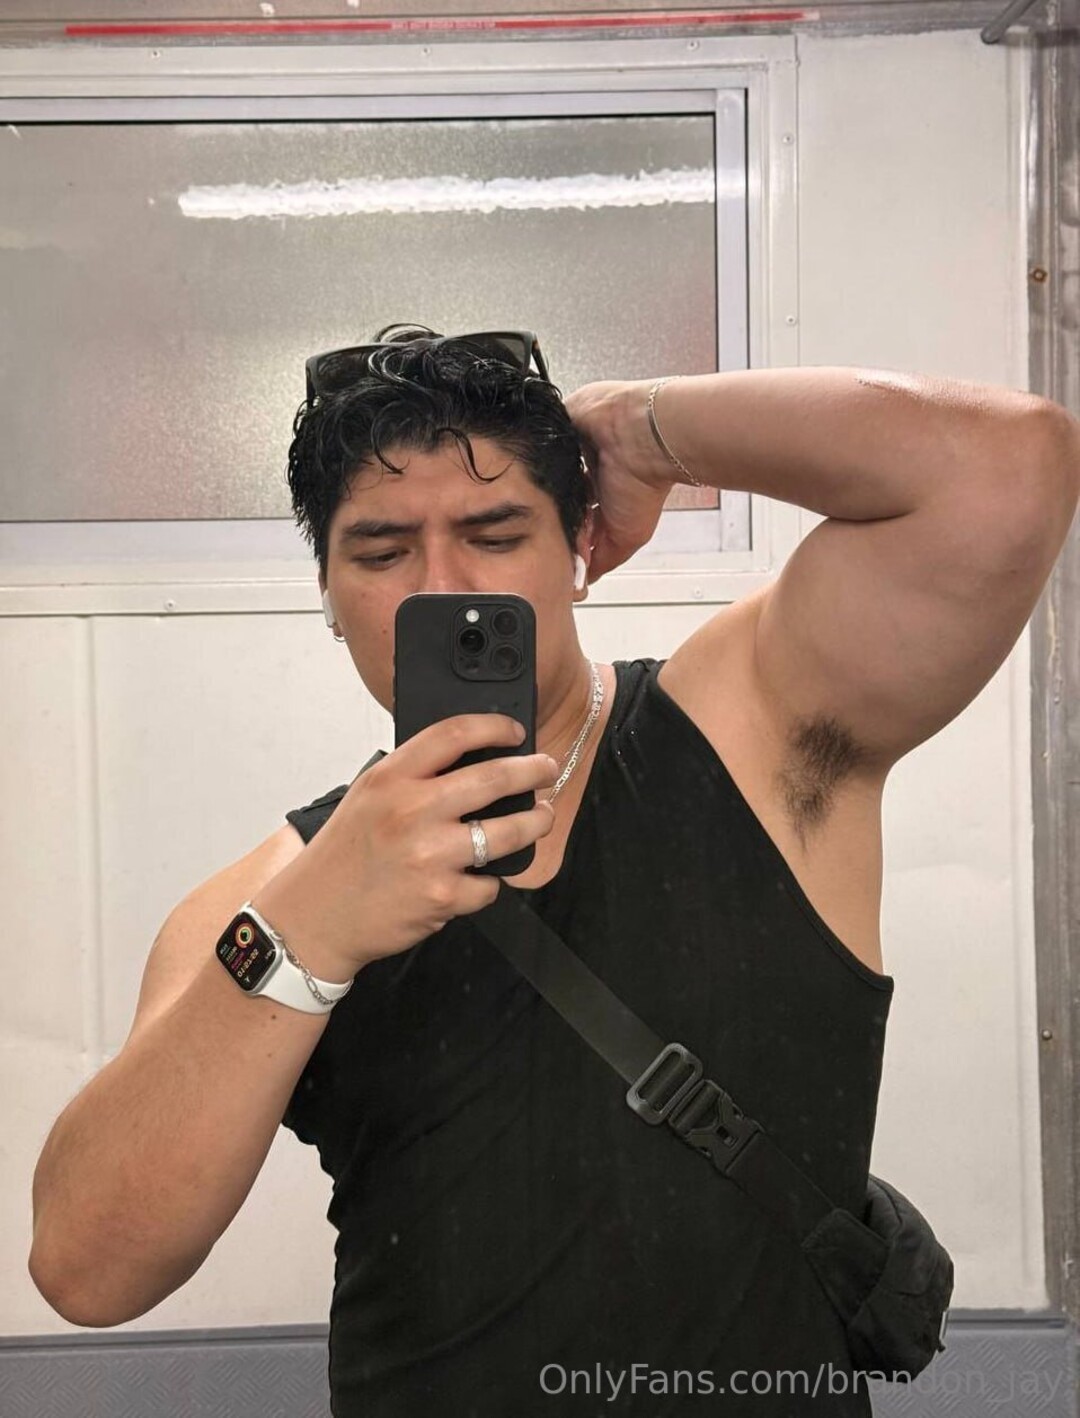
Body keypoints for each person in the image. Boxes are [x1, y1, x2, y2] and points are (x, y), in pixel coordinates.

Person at [28, 325, 1079, 1416]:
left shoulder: (753, 731)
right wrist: (304, 936)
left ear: (579, 547)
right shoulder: (267, 900)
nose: (442, 586)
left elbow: (1011, 465)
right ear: (329, 597)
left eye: (495, 534)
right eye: (381, 554)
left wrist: (640, 430)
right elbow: (86, 1268)